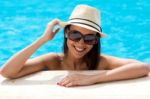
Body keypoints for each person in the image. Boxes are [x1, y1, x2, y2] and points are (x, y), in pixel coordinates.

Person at [1, 4, 149, 87]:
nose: (81, 43)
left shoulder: (101, 62)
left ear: (96, 41)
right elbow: (7, 72)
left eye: (89, 38)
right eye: (75, 35)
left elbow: (143, 67)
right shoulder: (52, 61)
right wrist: (43, 39)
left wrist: (92, 78)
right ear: (66, 34)